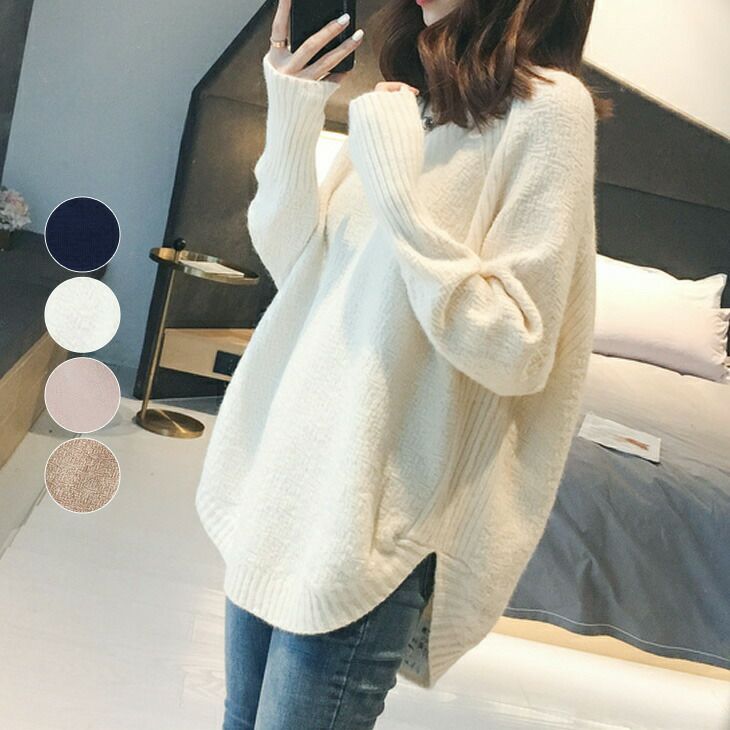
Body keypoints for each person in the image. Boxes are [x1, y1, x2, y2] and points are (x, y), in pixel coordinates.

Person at [195, 0, 608, 727]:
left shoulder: (549, 111)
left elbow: (518, 347)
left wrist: (399, 193)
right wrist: (293, 109)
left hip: (371, 517)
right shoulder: (406, 103)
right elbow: (298, 266)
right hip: (287, 485)